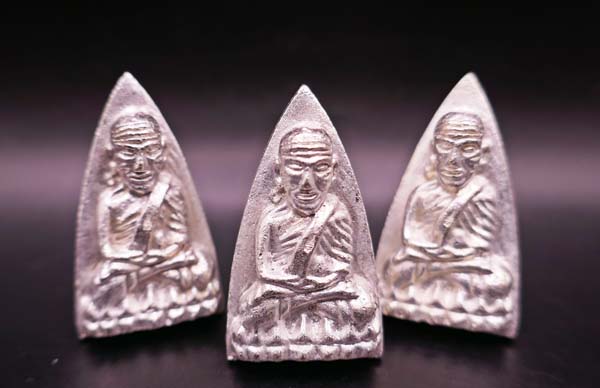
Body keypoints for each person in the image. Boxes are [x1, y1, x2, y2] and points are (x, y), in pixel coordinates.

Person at [232, 127, 378, 348]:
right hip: (286, 290)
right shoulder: (273, 218)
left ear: (334, 170)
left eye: (320, 168)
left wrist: (319, 283)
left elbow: (343, 266)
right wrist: (299, 286)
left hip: (327, 289)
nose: (307, 183)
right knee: (251, 311)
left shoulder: (336, 212)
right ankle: (314, 314)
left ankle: (294, 316)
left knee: (364, 306)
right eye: (296, 167)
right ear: (279, 171)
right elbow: (265, 271)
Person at [384, 112, 512, 313]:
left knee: (499, 282)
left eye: (468, 149)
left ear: (483, 153)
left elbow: (479, 246)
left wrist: (447, 262)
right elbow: (412, 241)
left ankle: (435, 286)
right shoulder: (423, 194)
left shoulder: (483, 193)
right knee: (393, 272)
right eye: (445, 146)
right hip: (428, 262)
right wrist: (434, 258)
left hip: (468, 266)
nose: (454, 160)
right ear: (434, 148)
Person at [90, 113, 214, 316]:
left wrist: (163, 254)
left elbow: (181, 238)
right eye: (129, 153)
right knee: (103, 279)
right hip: (130, 264)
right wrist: (143, 259)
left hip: (166, 261)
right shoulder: (110, 200)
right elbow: (107, 250)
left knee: (201, 267)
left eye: (150, 151)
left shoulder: (169, 190)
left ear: (162, 152)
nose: (140, 165)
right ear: (113, 156)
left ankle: (141, 290)